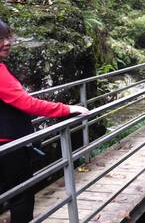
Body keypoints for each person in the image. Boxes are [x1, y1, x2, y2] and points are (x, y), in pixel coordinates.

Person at [0, 19, 89, 223]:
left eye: (8, 37)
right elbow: (26, 103)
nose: (7, 43)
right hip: (9, 147)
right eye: (0, 39)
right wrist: (66, 109)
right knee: (21, 196)